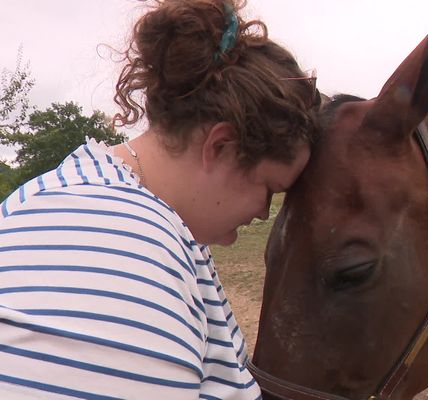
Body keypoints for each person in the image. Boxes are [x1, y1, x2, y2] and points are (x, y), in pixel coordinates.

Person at [0, 0, 319, 398]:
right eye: (269, 188)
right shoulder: (117, 250)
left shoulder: (100, 204)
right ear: (220, 146)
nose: (262, 212)